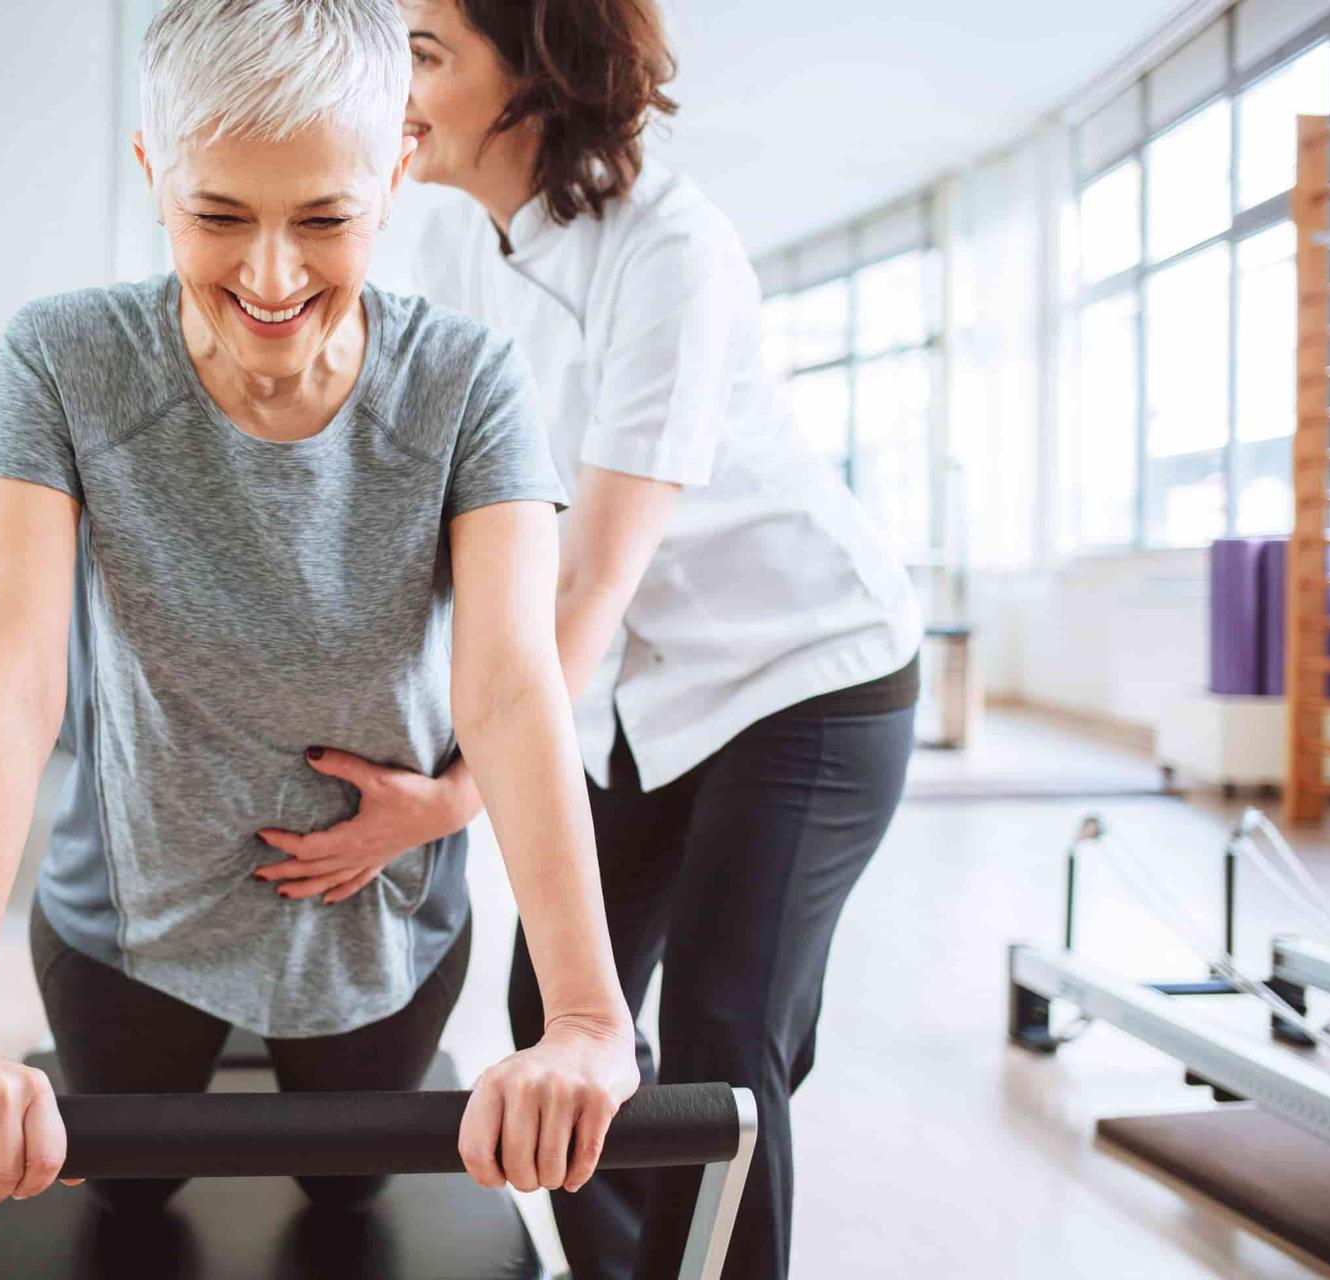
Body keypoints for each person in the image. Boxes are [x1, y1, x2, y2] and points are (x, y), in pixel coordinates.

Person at [0, 0, 639, 1224]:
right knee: (135, 1200)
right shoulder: (62, 361)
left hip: (380, 919)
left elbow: (508, 692)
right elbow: (10, 695)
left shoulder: (467, 382)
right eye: (219, 215)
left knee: (349, 1198)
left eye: (326, 218)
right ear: (154, 174)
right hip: (128, 918)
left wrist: (590, 1018)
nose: (273, 275)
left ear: (397, 170)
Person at [253, 1, 922, 1275]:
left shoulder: (673, 249)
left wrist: (449, 799)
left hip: (806, 679)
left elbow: (592, 579)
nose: (391, 81)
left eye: (428, 54)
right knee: (552, 1014)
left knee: (727, 1031)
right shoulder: (456, 246)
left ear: (539, 69)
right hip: (639, 694)